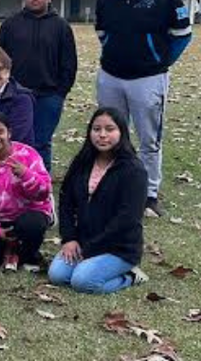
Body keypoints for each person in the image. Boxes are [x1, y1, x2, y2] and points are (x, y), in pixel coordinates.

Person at [95, 0, 192, 217]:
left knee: (149, 139)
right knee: (109, 134)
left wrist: (160, 61)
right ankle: (113, 185)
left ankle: (149, 194)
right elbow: (102, 33)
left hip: (148, 79)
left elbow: (183, 35)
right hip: (110, 76)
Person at [49, 107, 149, 293]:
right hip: (82, 241)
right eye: (96, 129)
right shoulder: (82, 163)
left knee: (82, 281)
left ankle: (130, 276)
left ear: (122, 132)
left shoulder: (133, 170)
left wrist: (90, 249)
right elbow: (66, 202)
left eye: (110, 129)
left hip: (118, 247)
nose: (102, 135)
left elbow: (127, 218)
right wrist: (69, 239)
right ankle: (88, 264)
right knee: (57, 275)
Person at [0, 0, 77, 171]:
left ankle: (41, 183)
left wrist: (60, 93)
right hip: (15, 93)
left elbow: (69, 63)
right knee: (13, 139)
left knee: (41, 141)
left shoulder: (60, 26)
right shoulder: (11, 24)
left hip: (48, 95)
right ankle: (10, 182)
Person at [0, 110, 53, 270]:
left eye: (0, 131)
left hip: (29, 214)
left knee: (31, 225)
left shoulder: (28, 154)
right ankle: (9, 248)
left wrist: (26, 175)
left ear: (9, 133)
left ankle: (28, 255)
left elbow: (44, 193)